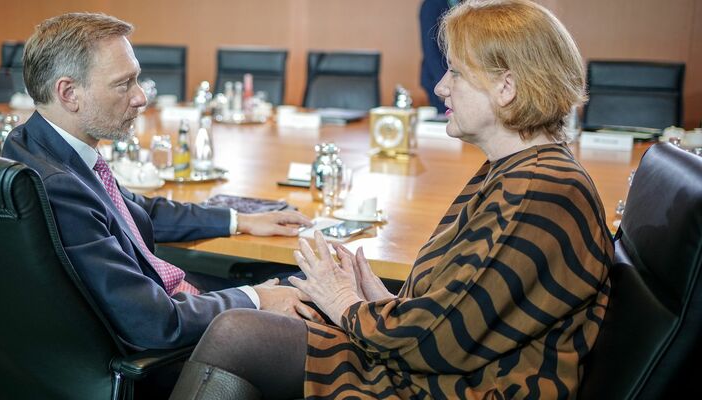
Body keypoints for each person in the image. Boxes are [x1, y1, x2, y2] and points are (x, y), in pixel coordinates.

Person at [169, 0, 614, 398]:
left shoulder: (539, 189)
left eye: (456, 73)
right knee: (279, 307)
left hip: (457, 385)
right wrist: (377, 298)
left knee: (237, 333)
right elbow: (468, 301)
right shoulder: (526, 171)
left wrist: (345, 303)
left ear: (506, 87)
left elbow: (441, 339)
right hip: (445, 367)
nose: (441, 87)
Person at [1, 12, 319, 352]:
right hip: (160, 335)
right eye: (124, 83)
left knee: (300, 283)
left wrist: (240, 220)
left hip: (159, 299)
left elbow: (134, 211)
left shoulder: (35, 144)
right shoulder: (58, 187)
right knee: (310, 293)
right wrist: (256, 299)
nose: (140, 97)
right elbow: (153, 323)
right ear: (68, 93)